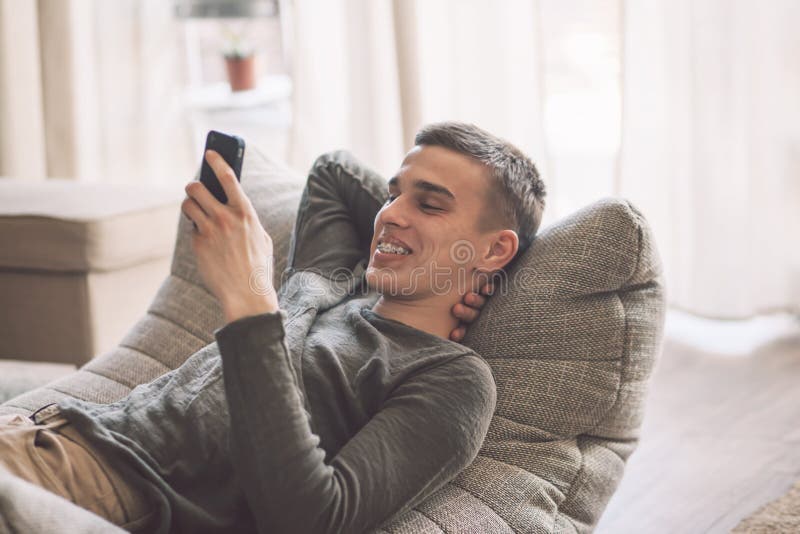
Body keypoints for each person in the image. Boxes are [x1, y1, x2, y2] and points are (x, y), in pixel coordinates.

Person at [0, 121, 545, 533]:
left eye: (429, 203)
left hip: (100, 489)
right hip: (41, 432)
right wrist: (455, 263)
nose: (390, 214)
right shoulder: (331, 279)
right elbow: (333, 171)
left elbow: (313, 519)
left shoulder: (452, 379)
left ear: (498, 248)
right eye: (392, 194)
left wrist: (253, 301)